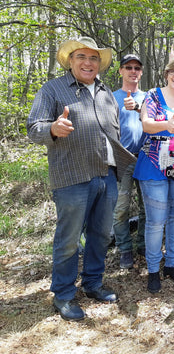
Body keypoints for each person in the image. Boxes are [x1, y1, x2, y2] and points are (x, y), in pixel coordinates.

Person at [27, 36, 136, 321]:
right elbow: (32, 128)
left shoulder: (105, 93)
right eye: (82, 57)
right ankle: (63, 295)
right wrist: (52, 128)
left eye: (94, 58)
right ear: (70, 61)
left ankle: (92, 283)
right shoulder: (53, 90)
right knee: (69, 239)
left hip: (106, 176)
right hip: (72, 178)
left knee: (101, 235)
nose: (88, 63)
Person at [133, 58, 174, 293]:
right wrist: (165, 126)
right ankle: (153, 269)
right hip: (153, 162)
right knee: (156, 220)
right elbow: (146, 125)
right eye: (173, 72)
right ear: (166, 73)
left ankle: (173, 264)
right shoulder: (153, 95)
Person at [112, 54, 147, 269]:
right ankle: (125, 249)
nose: (133, 71)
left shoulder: (149, 97)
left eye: (136, 67)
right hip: (121, 158)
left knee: (147, 207)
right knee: (120, 209)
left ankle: (143, 244)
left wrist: (137, 107)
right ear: (121, 71)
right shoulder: (110, 97)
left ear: (141, 72)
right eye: (128, 67)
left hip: (145, 157)